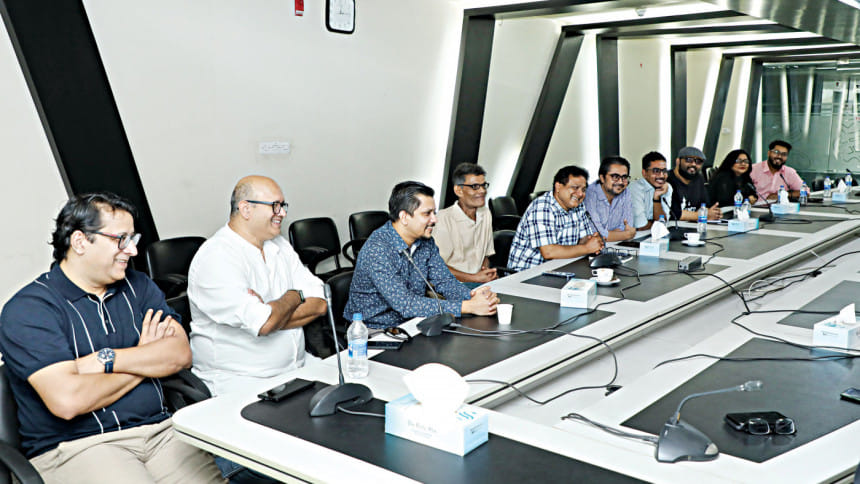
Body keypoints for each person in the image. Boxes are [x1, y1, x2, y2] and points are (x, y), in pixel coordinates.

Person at [0, 193, 223, 484]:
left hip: (161, 431)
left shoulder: (139, 286)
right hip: (80, 446)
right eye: (121, 239)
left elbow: (179, 354)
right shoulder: (29, 309)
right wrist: (145, 359)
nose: (132, 250)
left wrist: (105, 359)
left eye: (133, 239)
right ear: (80, 241)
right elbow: (68, 400)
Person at [187, 175, 326, 396]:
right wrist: (294, 296)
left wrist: (273, 312)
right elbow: (264, 324)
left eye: (283, 206)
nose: (282, 213)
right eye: (275, 206)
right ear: (246, 209)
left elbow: (319, 303)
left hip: (298, 368)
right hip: (242, 381)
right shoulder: (216, 257)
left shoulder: (278, 244)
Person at [344, 181, 499, 329]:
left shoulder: (426, 241)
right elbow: (406, 304)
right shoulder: (378, 249)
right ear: (404, 217)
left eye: (434, 213)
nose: (434, 219)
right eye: (427, 214)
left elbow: (445, 281)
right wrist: (468, 306)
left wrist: (474, 296)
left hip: (411, 321)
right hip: (374, 329)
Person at [507, 165, 603, 271]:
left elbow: (583, 239)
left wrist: (592, 241)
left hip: (560, 267)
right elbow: (548, 252)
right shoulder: (542, 207)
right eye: (575, 188)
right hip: (527, 272)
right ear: (558, 187)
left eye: (583, 190)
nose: (580, 194)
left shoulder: (578, 206)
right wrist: (586, 248)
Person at [433, 163, 497, 287]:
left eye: (483, 185)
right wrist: (474, 278)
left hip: (476, 281)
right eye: (475, 187)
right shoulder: (443, 219)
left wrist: (485, 273)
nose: (482, 191)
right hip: (452, 284)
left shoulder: (485, 213)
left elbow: (485, 255)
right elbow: (436, 268)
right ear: (459, 190)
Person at [584, 156, 635, 241]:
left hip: (615, 245)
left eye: (624, 177)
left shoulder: (625, 192)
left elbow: (628, 226)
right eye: (615, 177)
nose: (620, 182)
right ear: (602, 178)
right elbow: (594, 234)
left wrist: (609, 234)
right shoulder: (590, 194)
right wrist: (626, 235)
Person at [667, 146, 721, 221]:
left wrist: (714, 213)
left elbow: (704, 206)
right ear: (678, 161)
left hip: (694, 225)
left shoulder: (699, 178)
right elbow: (673, 213)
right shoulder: (667, 179)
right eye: (689, 160)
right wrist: (703, 215)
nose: (693, 164)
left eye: (698, 162)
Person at [628, 151, 673, 230]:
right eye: (656, 171)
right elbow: (640, 225)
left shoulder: (666, 187)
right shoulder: (635, 188)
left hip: (653, 233)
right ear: (644, 173)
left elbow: (663, 221)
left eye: (664, 171)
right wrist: (658, 223)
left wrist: (656, 198)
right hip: (633, 235)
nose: (661, 175)